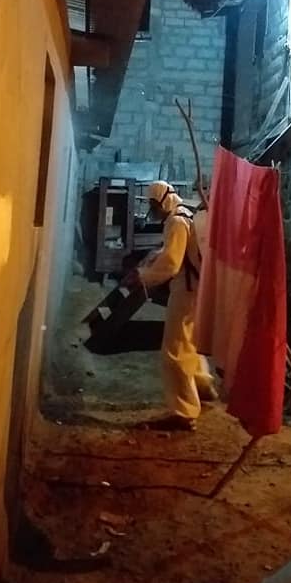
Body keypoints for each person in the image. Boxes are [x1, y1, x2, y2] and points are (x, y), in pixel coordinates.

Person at [125, 180, 216, 431]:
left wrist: (143, 276)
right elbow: (175, 251)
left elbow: (172, 264)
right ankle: (202, 384)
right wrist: (154, 258)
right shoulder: (185, 213)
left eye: (153, 204)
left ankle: (184, 411)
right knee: (189, 341)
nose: (152, 210)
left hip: (186, 291)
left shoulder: (175, 222)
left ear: (163, 200)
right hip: (198, 289)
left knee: (174, 350)